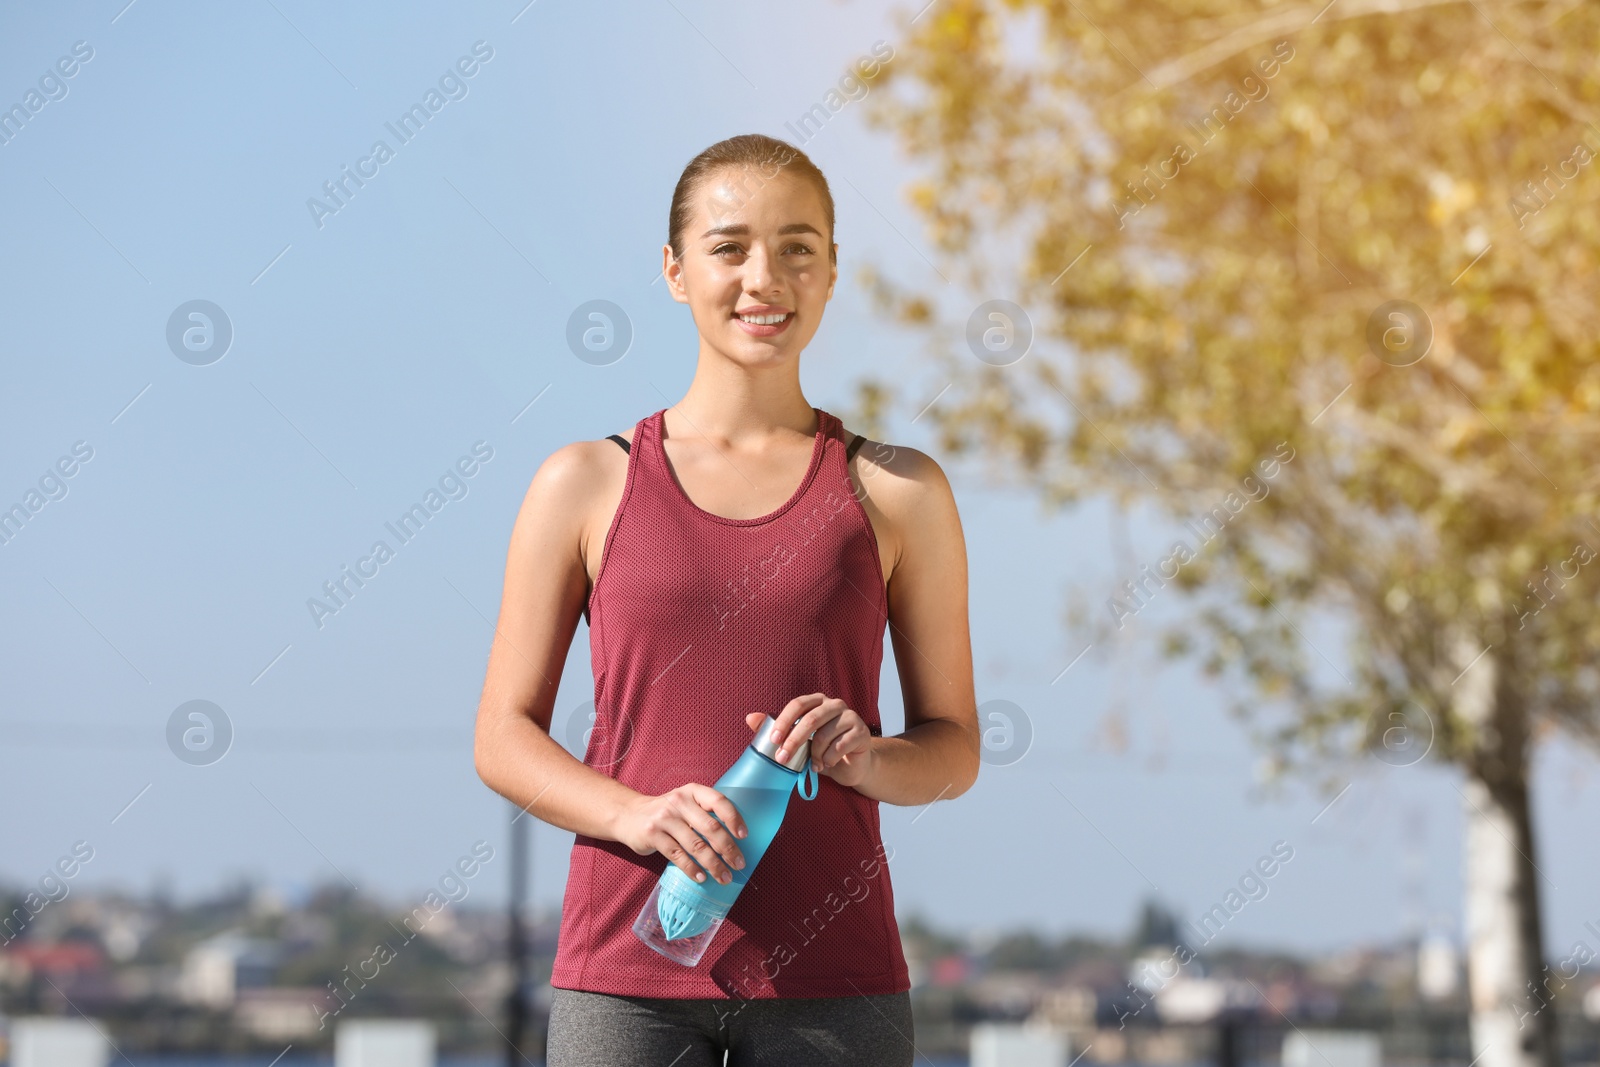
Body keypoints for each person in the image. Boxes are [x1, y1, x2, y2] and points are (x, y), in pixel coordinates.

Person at [473, 133, 979, 1067]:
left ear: (831, 272)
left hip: (837, 984)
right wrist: (634, 814)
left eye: (797, 247)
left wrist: (868, 759)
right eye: (729, 246)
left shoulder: (901, 489)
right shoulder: (583, 484)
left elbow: (954, 750)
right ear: (674, 271)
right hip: (626, 979)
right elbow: (502, 736)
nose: (765, 277)